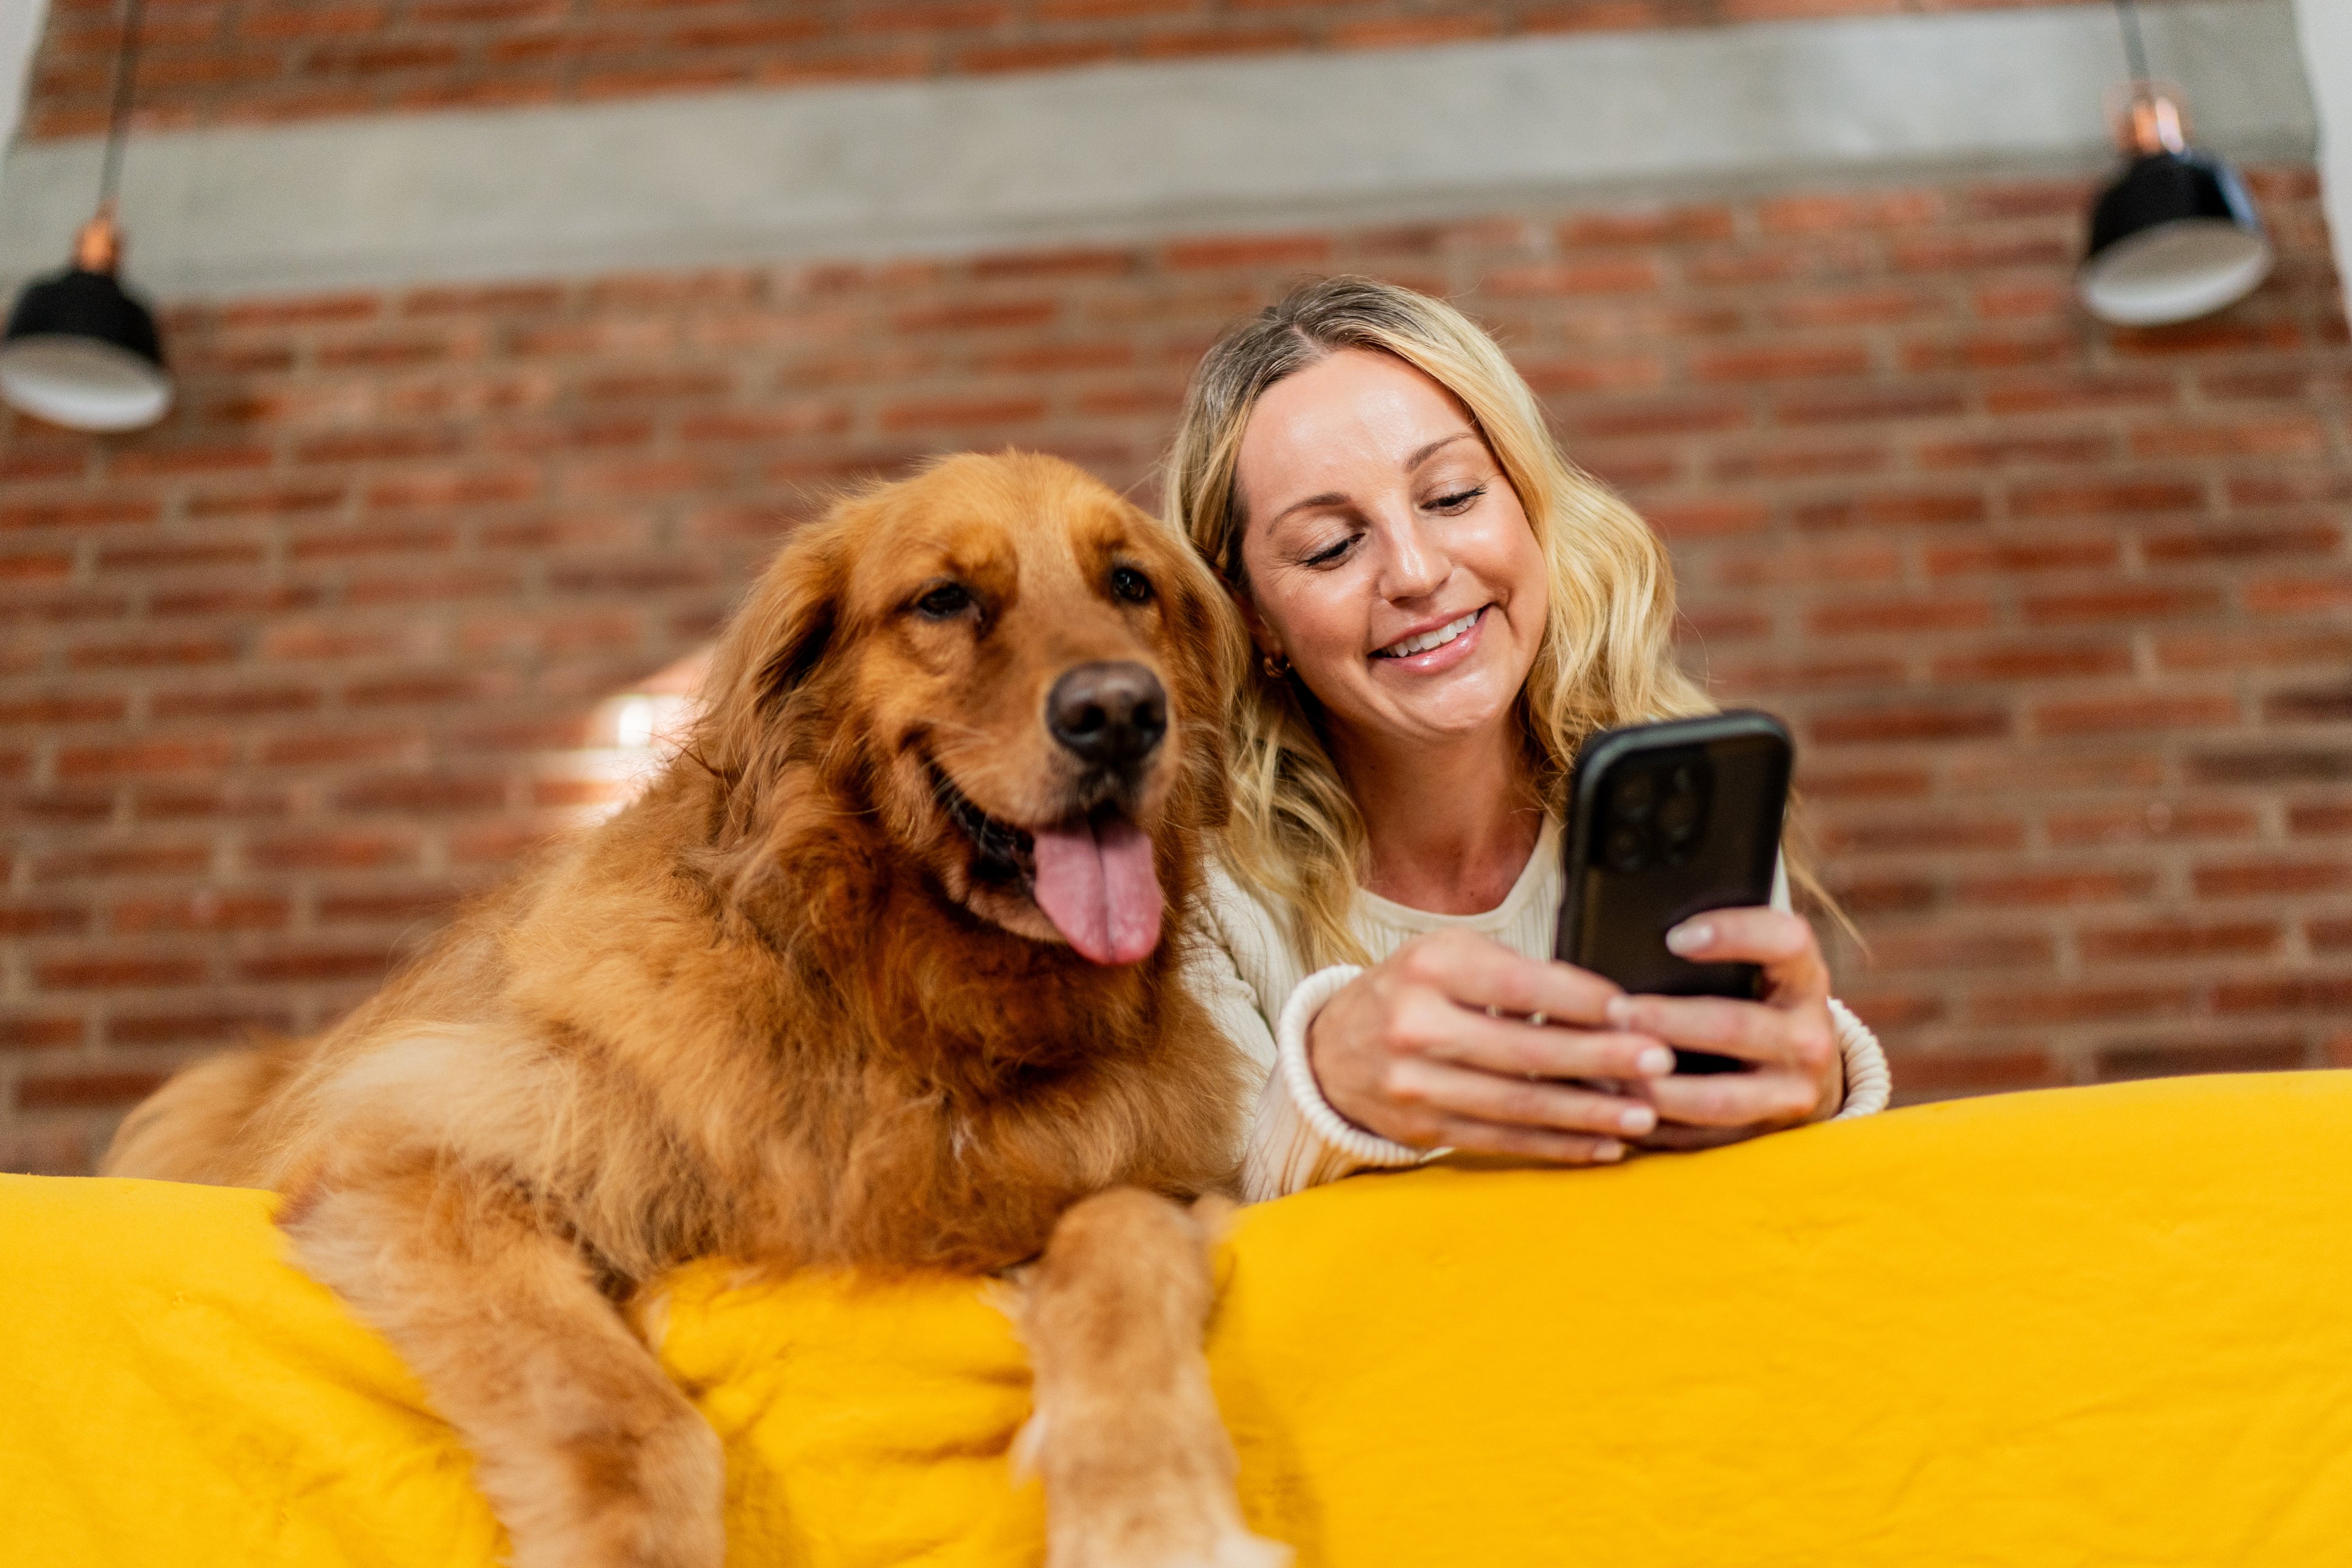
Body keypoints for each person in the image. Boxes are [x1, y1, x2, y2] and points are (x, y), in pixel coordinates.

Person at [1165, 276, 1891, 1203]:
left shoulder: (1676, 797)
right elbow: (1193, 1248)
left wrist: (1814, 1095)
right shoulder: (1193, 884)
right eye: (1330, 548)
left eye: (1454, 495)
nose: (1418, 572)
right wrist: (1328, 1093)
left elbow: (1752, 1204)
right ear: (1252, 619)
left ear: (1529, 502)